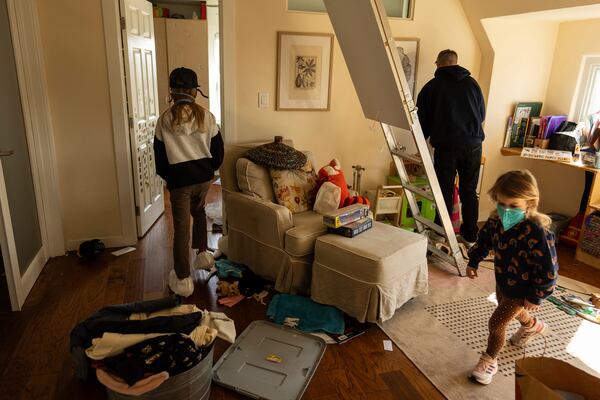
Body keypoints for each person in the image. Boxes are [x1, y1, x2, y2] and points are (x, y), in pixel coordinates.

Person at [466, 170, 558, 385]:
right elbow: (484, 241)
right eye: (501, 204)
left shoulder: (538, 232)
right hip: (503, 280)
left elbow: (548, 270)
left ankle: (489, 360)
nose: (506, 211)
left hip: (524, 288)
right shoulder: (496, 220)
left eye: (514, 206)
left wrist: (536, 296)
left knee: (497, 323)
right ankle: (532, 325)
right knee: (508, 310)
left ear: (530, 203)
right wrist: (474, 260)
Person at [153, 67, 224, 297]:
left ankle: (183, 279)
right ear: (195, 91)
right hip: (203, 178)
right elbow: (218, 151)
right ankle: (203, 255)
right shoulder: (207, 116)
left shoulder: (164, 120)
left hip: (180, 182)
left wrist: (169, 178)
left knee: (182, 227)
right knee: (200, 212)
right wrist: (209, 170)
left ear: (172, 91)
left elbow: (160, 159)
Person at [416, 49, 486, 245]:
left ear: (438, 64)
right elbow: (481, 115)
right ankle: (470, 236)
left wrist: (421, 143)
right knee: (469, 191)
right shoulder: (473, 85)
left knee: (444, 191)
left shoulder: (432, 87)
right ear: (455, 62)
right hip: (473, 145)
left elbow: (421, 121)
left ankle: (441, 232)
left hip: (446, 146)